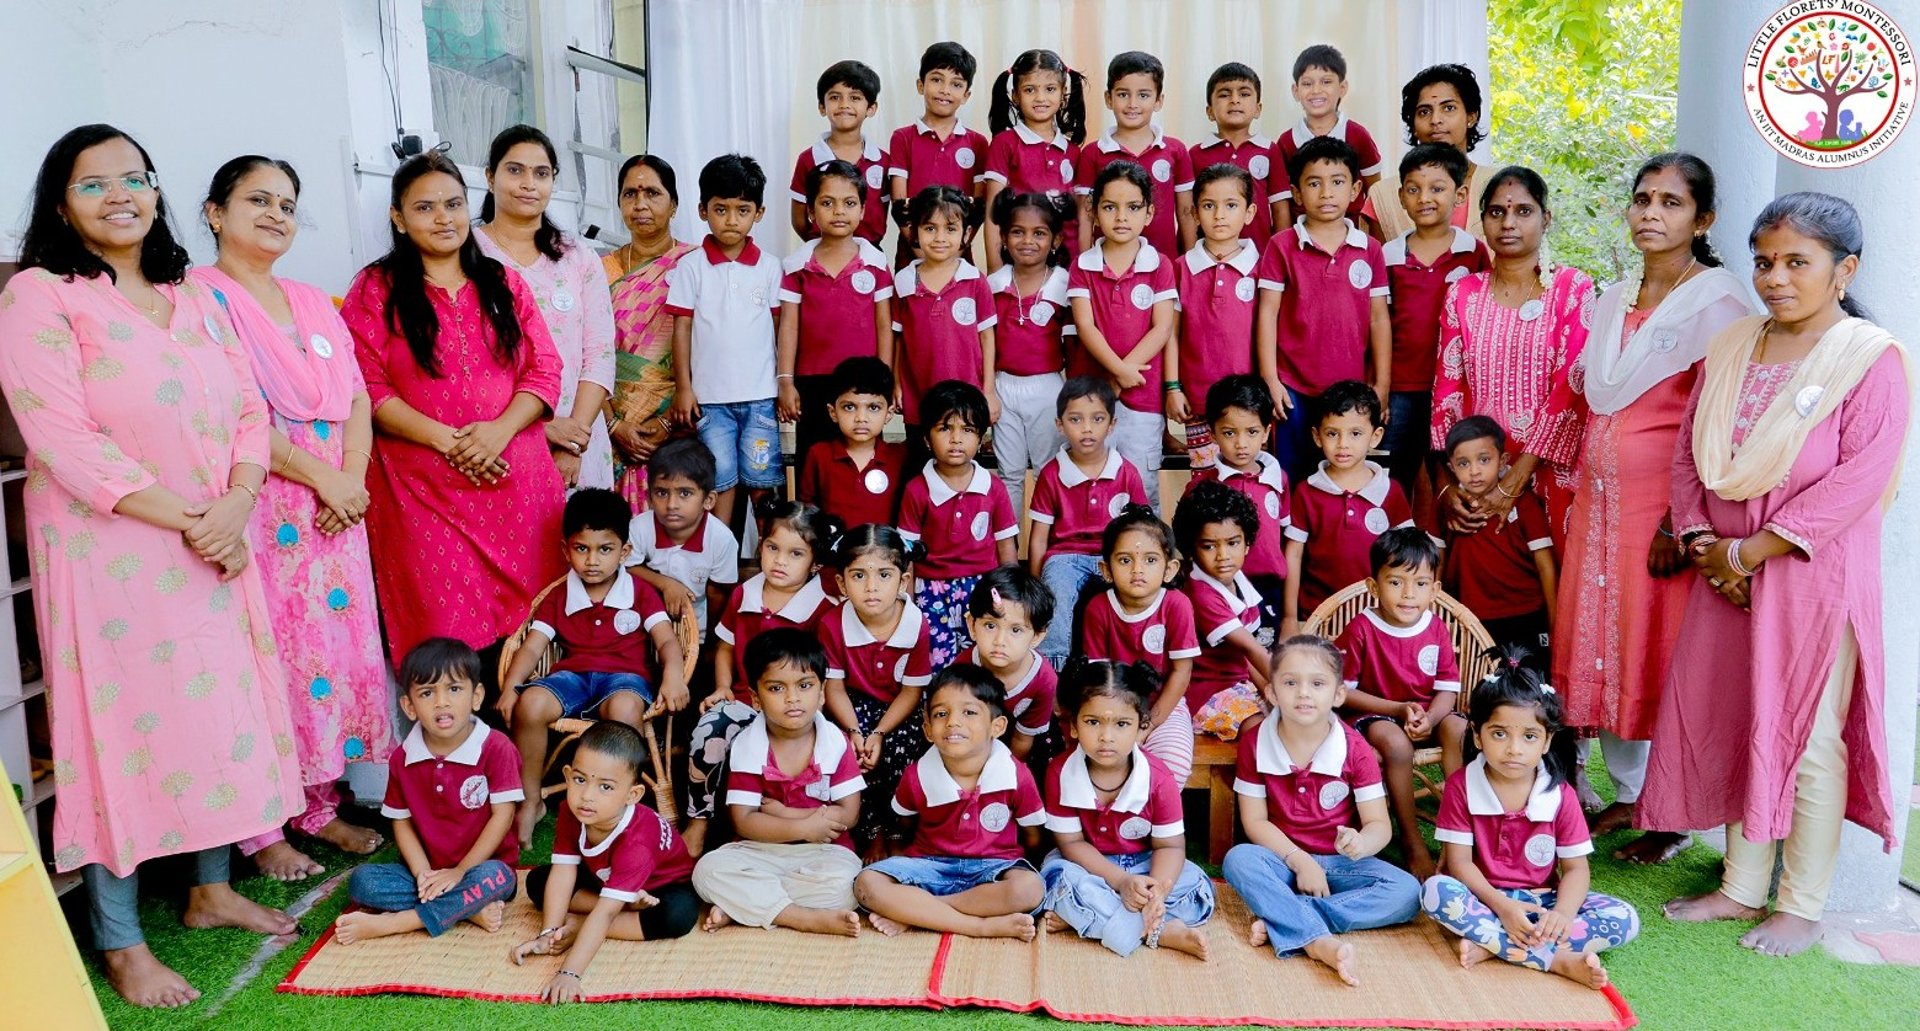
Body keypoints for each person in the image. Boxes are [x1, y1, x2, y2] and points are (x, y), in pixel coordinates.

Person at [0, 123, 300, 1008]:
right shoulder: (42, 297)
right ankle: (122, 938)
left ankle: (209, 889)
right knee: (115, 733)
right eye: (95, 184)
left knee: (220, 714)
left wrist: (237, 503)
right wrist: (202, 518)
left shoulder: (194, 293)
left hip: (214, 536)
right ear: (62, 203)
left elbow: (251, 409)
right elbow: (62, 438)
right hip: (112, 551)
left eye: (136, 177)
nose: (121, 194)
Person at [1646, 193, 1911, 957]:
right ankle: (1738, 885)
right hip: (1720, 571)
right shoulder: (1733, 346)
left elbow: (1860, 477)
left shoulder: (1870, 357)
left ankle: (1800, 902)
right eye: (1764, 261)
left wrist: (1754, 552)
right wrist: (1704, 542)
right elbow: (1690, 451)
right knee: (1736, 714)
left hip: (1810, 575)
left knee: (1812, 736)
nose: (1775, 277)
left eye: (1798, 262)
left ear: (1844, 269)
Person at [190, 155, 390, 879]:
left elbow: (358, 398)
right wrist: (325, 479)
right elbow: (233, 413)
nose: (276, 214)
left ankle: (320, 805)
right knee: (266, 655)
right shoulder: (197, 300)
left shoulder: (311, 300)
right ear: (215, 212)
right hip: (263, 501)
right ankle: (260, 826)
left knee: (330, 653)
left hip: (336, 510)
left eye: (287, 203)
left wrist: (354, 482)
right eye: (257, 200)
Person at [1557, 154, 1752, 862]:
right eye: (1642, 198)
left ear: (1702, 220)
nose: (1650, 213)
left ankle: (1674, 815)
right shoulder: (1612, 300)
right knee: (1610, 650)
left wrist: (1681, 517)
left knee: (1663, 653)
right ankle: (1633, 796)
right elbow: (1592, 401)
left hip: (1663, 517)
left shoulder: (1720, 305)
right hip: (1600, 508)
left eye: (1671, 202)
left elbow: (1721, 422)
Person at [343, 150, 565, 670]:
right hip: (424, 493)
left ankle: (531, 745)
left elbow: (545, 369)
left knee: (535, 641)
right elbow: (366, 387)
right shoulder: (376, 290)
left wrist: (496, 432)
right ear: (398, 218)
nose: (443, 218)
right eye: (425, 208)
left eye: (453, 204)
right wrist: (450, 441)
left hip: (517, 484)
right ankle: (460, 749)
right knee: (448, 641)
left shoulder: (504, 283)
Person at [1421, 653, 1639, 988]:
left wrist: (1562, 916)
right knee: (1435, 892)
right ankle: (1558, 961)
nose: (1513, 749)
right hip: (1485, 900)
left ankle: (1495, 946)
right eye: (1499, 734)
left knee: (1625, 918)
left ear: (1547, 740)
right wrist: (1504, 908)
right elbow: (1459, 863)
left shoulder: (1560, 795)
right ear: (1477, 736)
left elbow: (1577, 870)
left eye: (1529, 736)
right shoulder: (1461, 786)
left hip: (1544, 901)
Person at [1221, 635, 1421, 987]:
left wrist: (1362, 842)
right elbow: (1254, 820)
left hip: (1339, 863)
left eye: (1317, 683)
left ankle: (1287, 918)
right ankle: (1316, 941)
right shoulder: (1255, 743)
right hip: (1282, 860)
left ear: (1338, 695)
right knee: (1239, 859)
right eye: (1290, 682)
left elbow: (1378, 824)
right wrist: (1300, 861)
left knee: (1405, 892)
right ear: (1271, 692)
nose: (1303, 693)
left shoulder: (1355, 749)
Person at [498, 488, 689, 847]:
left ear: (624, 552)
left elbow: (666, 641)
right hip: (573, 678)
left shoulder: (639, 592)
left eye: (605, 549)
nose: (592, 561)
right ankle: (531, 798)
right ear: (566, 549)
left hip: (624, 679)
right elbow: (532, 647)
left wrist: (674, 676)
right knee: (532, 703)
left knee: (624, 707)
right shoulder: (559, 596)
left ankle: (618, 804)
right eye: (581, 548)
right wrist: (511, 686)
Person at [1431, 166, 1593, 547]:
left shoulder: (1572, 288)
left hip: (1553, 472)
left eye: (1523, 211)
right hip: (1479, 478)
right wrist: (1451, 483)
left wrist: (1516, 479)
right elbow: (1446, 393)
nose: (1509, 223)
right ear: (1482, 221)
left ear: (1545, 218)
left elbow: (1570, 389)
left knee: (1554, 584)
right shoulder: (1463, 293)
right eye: (1496, 212)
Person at [335, 639, 521, 944]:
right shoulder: (403, 758)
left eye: (454, 689)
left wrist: (460, 871)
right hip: (428, 872)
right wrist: (422, 873)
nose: (441, 702)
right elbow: (402, 821)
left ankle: (399, 922)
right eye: (426, 693)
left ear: (476, 697)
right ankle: (466, 909)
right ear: (409, 706)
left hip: (482, 868)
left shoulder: (496, 747)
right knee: (362, 883)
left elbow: (504, 815)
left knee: (495, 880)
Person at [685, 500, 840, 855]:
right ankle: (699, 821)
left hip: (795, 709)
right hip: (745, 702)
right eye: (772, 548)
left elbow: (823, 675)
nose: (780, 561)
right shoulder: (745, 593)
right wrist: (723, 686)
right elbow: (724, 646)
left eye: (795, 553)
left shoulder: (823, 609)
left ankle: (783, 825)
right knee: (711, 727)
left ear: (815, 563)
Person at [693, 629, 866, 937]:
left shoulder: (835, 743)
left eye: (805, 685)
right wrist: (803, 826)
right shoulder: (749, 745)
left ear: (822, 692)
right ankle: (799, 916)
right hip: (759, 850)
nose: (792, 698)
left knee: (849, 886)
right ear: (756, 698)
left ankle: (747, 905)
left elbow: (849, 814)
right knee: (706, 872)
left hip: (824, 853)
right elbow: (744, 821)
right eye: (776, 688)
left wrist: (787, 815)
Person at [854, 665, 1048, 939]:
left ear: (997, 726)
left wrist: (1013, 871)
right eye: (941, 714)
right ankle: (979, 926)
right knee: (867, 883)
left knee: (1030, 888)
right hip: (930, 866)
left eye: (969, 712)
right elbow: (905, 826)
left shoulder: (1016, 775)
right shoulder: (917, 776)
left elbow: (1032, 837)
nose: (953, 722)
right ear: (928, 730)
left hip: (992, 869)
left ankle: (919, 913)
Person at [1041, 658, 1215, 959]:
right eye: (1093, 722)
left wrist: (1157, 892)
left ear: (1141, 728)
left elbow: (1170, 847)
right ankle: (1161, 932)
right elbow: (1071, 843)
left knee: (1195, 886)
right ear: (1073, 726)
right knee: (1057, 877)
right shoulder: (1060, 772)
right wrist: (1120, 882)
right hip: (1091, 866)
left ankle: (1092, 919)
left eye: (1121, 724)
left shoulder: (1159, 779)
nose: (1106, 737)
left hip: (1145, 865)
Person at [513, 721, 698, 1003]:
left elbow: (605, 913)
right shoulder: (571, 811)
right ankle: (622, 902)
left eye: (606, 787)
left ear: (632, 795)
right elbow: (563, 872)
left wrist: (570, 973)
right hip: (605, 877)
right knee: (539, 882)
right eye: (580, 780)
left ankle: (579, 926)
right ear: (567, 774)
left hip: (659, 887)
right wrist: (547, 934)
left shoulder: (637, 842)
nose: (587, 796)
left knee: (679, 916)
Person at [476, 125, 617, 491]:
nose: (528, 183)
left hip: (581, 439)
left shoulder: (577, 257)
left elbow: (599, 354)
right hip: (501, 438)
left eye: (541, 174)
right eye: (515, 170)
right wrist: (542, 427)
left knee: (585, 544)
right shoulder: (467, 255)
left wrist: (573, 438)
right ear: (490, 177)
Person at [1256, 136, 1391, 481]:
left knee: (1342, 473)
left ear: (1356, 189)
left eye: (1337, 182)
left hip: (1350, 388)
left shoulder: (1370, 249)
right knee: (1291, 475)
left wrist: (1382, 384)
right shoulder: (1281, 245)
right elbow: (1268, 313)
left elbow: (1378, 319)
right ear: (1297, 193)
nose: (1326, 193)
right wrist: (1271, 379)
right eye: (1314, 183)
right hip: (1293, 388)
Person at [1335, 529, 1465, 880]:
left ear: (1435, 590)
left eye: (1421, 584)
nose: (1409, 594)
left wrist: (1431, 717)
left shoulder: (1436, 627)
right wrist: (1397, 708)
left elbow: (1447, 689)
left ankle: (1459, 833)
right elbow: (1343, 692)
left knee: (1458, 727)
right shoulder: (1362, 627)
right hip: (1376, 714)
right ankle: (1411, 839)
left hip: (1425, 713)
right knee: (1394, 741)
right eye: (1396, 582)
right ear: (1374, 587)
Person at [666, 153, 783, 530]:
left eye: (742, 209)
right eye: (721, 209)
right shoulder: (690, 267)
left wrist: (783, 384)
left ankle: (771, 563)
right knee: (721, 483)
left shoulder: (770, 267)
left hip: (761, 399)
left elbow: (782, 331)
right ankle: (722, 568)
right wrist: (684, 388)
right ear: (702, 210)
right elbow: (681, 329)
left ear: (759, 213)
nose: (732, 220)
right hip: (711, 402)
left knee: (763, 484)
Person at [1379, 144, 1490, 493]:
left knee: (1452, 471)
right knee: (1398, 472)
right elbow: (1378, 324)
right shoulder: (1388, 255)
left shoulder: (1473, 252)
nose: (1424, 197)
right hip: (1401, 387)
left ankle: (1444, 545)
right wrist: (1380, 388)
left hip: (1455, 386)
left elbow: (1483, 320)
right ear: (1401, 197)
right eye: (1413, 189)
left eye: (1437, 188)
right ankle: (1399, 541)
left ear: (1459, 195)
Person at [1068, 161, 1177, 507]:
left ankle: (1149, 557)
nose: (1121, 217)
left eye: (1133, 207)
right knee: (1096, 487)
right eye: (1110, 207)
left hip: (1143, 400)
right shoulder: (1082, 266)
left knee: (1142, 487)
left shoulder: (1159, 265)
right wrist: (1117, 372)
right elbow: (1085, 326)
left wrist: (1125, 373)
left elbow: (1162, 327)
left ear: (1149, 213)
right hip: (1092, 401)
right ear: (1095, 211)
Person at [821, 526, 934, 853]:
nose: (871, 587)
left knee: (903, 749)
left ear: (903, 581)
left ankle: (897, 830)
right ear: (841, 583)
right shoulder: (833, 624)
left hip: (898, 710)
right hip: (851, 709)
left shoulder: (915, 623)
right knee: (847, 750)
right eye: (858, 576)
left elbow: (911, 692)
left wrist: (880, 733)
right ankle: (869, 832)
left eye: (884, 575)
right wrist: (856, 732)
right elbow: (835, 689)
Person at [1028, 377, 1147, 669]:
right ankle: (1053, 668)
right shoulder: (1052, 474)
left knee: (1134, 588)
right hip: (1065, 557)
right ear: (1060, 425)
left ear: (1112, 424)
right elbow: (1039, 537)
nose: (1087, 428)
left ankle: (1127, 665)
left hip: (1113, 553)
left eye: (1097, 419)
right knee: (1058, 586)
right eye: (1075, 419)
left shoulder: (1126, 472)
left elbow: (1142, 528)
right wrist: (1035, 585)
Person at [898, 381, 1020, 667]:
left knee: (984, 659)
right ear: (927, 439)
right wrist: (907, 601)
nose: (956, 439)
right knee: (933, 660)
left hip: (983, 587)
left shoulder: (994, 487)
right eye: (944, 429)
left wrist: (1011, 595)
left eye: (967, 430)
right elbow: (907, 555)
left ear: (980, 439)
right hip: (930, 591)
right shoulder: (917, 490)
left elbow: (1006, 548)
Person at [778, 165, 895, 461]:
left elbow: (884, 326)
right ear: (810, 211)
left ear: (863, 210)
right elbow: (789, 327)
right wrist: (786, 381)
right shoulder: (796, 267)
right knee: (814, 460)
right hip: (811, 382)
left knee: (862, 459)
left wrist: (885, 381)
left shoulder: (876, 264)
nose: (839, 211)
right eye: (827, 203)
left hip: (864, 386)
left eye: (849, 203)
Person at [1078, 508, 1200, 782]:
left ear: (1169, 569)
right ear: (1106, 570)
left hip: (1164, 706)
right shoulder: (1098, 608)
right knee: (1097, 762)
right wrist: (1121, 723)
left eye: (1150, 559)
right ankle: (1112, 822)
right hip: (1113, 705)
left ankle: (1156, 822)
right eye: (1124, 560)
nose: (1137, 570)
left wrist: (1149, 724)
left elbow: (1181, 673)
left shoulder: (1177, 605)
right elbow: (1100, 677)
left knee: (1174, 766)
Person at [602, 154, 696, 505]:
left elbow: (715, 351)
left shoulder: (696, 265)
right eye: (630, 194)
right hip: (610, 424)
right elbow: (587, 354)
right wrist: (613, 425)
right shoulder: (600, 271)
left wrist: (670, 422)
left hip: (682, 424)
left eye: (652, 193)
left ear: (673, 204)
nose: (640, 204)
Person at [1283, 382, 1414, 630]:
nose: (1343, 444)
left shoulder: (1390, 491)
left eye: (1355, 434)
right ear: (1317, 436)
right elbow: (1294, 555)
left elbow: (1407, 556)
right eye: (1332, 433)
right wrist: (1289, 618)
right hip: (1318, 613)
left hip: (1377, 615)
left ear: (1375, 437)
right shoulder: (1306, 492)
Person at [1440, 417, 1557, 667]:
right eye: (1463, 463)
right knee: (1478, 688)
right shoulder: (1451, 506)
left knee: (1527, 690)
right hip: (1470, 618)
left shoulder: (1523, 503)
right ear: (1451, 467)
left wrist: (1556, 622)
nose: (1474, 471)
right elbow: (1435, 561)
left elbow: (1545, 565)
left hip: (1525, 615)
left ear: (1503, 461)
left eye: (1484, 460)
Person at [986, 190, 1074, 516]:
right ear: (1005, 238)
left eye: (1039, 233)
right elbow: (986, 342)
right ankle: (1009, 558)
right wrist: (988, 390)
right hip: (1003, 386)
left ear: (1055, 240)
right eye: (1018, 232)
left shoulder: (1065, 285)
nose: (1028, 241)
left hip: (1048, 387)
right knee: (1008, 473)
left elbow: (1074, 344)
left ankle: (1048, 551)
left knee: (1048, 472)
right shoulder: (993, 285)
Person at [1184, 376, 1290, 646]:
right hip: (1218, 586)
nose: (1241, 444)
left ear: (1266, 431)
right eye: (1230, 433)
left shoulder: (1278, 479)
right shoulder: (1202, 485)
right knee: (1229, 658)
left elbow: (1288, 539)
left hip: (1268, 587)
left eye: (1252, 432)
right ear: (1212, 432)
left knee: (1266, 655)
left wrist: (1290, 612)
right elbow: (1188, 542)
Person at [1168, 165, 1261, 471]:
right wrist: (1173, 388)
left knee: (1248, 482)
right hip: (1198, 403)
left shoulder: (1262, 268)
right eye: (1209, 206)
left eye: (1231, 205)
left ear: (1249, 213)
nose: (1219, 215)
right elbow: (1172, 334)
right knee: (1205, 481)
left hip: (1250, 406)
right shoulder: (1180, 269)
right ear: (1194, 213)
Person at [892, 186, 1001, 440]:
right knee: (919, 466)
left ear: (967, 233)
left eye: (950, 228)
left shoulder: (976, 281)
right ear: (915, 231)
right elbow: (898, 338)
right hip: (919, 397)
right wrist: (896, 384)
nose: (940, 237)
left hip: (967, 399)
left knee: (959, 463)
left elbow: (987, 338)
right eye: (930, 228)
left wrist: (989, 391)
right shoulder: (904, 281)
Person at [1176, 481, 1273, 739]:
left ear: (1247, 543)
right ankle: (1250, 780)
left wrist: (1269, 689)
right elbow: (1251, 649)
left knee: (1288, 720)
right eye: (1209, 546)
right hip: (1208, 694)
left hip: (1240, 687)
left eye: (1232, 543)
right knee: (1262, 731)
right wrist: (1296, 687)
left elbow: (1246, 659)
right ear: (1191, 550)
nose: (1223, 556)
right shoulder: (1200, 592)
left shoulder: (1240, 583)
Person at [1074, 51, 1195, 258]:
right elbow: (1085, 216)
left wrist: (1192, 263)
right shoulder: (1092, 154)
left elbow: (1185, 213)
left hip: (1162, 264)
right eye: (1123, 94)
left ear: (1158, 100)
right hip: (1107, 266)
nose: (1132, 104)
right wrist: (1083, 263)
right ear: (1108, 98)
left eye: (1143, 95)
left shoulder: (1175, 150)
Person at [982, 48, 1088, 268]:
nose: (1041, 98)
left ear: (1063, 93)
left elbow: (1081, 216)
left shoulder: (1073, 152)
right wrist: (995, 270)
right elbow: (993, 212)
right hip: (1019, 262)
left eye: (1050, 89)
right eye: (1030, 90)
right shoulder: (1004, 144)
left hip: (1066, 264)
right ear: (1015, 95)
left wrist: (1081, 269)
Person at [887, 42, 988, 268]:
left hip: (959, 257)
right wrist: (919, 249)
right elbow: (898, 201)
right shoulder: (903, 138)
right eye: (936, 79)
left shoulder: (978, 143)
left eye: (956, 84)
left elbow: (978, 207)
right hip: (912, 255)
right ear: (921, 85)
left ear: (966, 94)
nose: (945, 90)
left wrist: (957, 249)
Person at [624, 438, 739, 637]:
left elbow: (717, 594)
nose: (671, 505)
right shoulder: (639, 527)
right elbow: (625, 568)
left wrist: (710, 642)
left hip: (698, 631)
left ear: (708, 500)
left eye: (685, 493)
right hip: (645, 629)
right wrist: (667, 584)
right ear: (649, 497)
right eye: (661, 493)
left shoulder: (721, 539)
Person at [1368, 64, 1496, 242]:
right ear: (1413, 125)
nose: (1435, 120)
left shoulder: (1498, 185)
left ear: (1471, 117)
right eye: (1424, 112)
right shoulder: (1383, 196)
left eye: (1449, 108)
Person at [1274, 45, 1384, 227]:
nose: (1316, 90)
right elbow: (1283, 202)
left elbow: (1375, 194)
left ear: (1342, 88)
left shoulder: (1358, 135)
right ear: (1296, 91)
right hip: (1303, 237)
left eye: (1326, 82)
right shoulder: (1286, 142)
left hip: (1350, 233)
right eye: (1307, 84)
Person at [796, 357, 907, 532]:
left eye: (873, 408)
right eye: (849, 407)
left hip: (884, 555)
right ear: (833, 412)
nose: (861, 418)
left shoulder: (899, 457)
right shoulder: (819, 454)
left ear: (889, 413)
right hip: (832, 555)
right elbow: (807, 511)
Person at [1190, 61, 1291, 252]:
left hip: (1259, 256)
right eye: (1224, 94)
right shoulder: (1196, 154)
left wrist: (1280, 257)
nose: (1235, 100)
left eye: (1244, 94)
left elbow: (1280, 209)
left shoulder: (1270, 150)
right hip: (1209, 257)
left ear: (1258, 109)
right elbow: (1189, 211)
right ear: (1210, 111)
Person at [788, 60, 890, 247]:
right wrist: (822, 245)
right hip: (822, 251)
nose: (844, 105)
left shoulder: (883, 161)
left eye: (855, 98)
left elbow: (881, 212)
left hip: (870, 255)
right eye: (835, 97)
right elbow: (799, 219)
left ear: (871, 108)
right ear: (821, 106)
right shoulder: (808, 159)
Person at [963, 567, 1059, 760]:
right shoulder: (963, 669)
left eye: (1016, 630)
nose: (1000, 640)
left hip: (1021, 746)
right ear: (972, 625)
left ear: (1037, 636)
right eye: (990, 626)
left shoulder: (1044, 680)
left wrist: (1003, 773)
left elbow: (1023, 740)